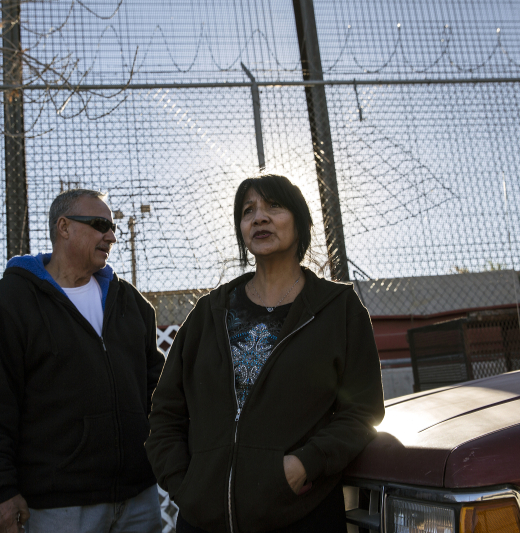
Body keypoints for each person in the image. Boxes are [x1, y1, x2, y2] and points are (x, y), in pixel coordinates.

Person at [146, 175, 385, 533]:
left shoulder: (339, 309)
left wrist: (304, 465)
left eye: (273, 206)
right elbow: (166, 412)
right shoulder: (210, 312)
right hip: (203, 520)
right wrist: (185, 485)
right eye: (248, 211)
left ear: (300, 221)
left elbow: (362, 411)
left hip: (301, 513)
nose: (259, 217)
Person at [0, 189, 165, 533]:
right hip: (58, 508)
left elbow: (158, 390)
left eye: (112, 226)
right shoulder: (12, 300)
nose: (111, 235)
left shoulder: (130, 302)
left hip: (140, 499)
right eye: (100, 224)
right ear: (63, 227)